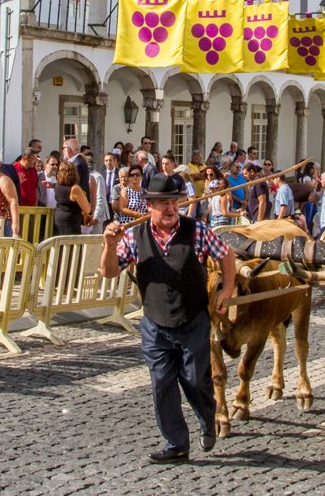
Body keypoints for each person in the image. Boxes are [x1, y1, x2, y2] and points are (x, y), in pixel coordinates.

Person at [99, 174, 236, 463]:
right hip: (155, 324)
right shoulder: (135, 237)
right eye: (163, 204)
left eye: (174, 202)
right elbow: (110, 272)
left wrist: (227, 289)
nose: (170, 209)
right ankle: (177, 444)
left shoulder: (196, 230)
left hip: (193, 319)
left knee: (195, 379)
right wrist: (110, 245)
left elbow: (226, 255)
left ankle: (207, 420)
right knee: (162, 382)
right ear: (149, 206)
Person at [53, 161, 94, 236]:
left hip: (58, 218)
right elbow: (87, 209)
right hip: (71, 221)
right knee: (72, 246)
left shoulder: (57, 185)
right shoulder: (75, 188)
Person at [62, 138, 92, 203]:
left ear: (68, 149)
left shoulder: (77, 164)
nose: (62, 151)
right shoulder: (77, 161)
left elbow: (78, 187)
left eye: (63, 148)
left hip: (77, 206)